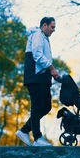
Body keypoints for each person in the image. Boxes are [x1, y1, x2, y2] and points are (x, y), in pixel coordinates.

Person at [16, 17, 60, 146]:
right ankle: (37, 138)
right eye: (52, 27)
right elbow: (37, 55)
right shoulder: (37, 35)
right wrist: (52, 69)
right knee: (36, 107)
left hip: (43, 78)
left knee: (46, 107)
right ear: (44, 25)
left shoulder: (44, 38)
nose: (54, 30)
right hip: (35, 77)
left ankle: (24, 130)